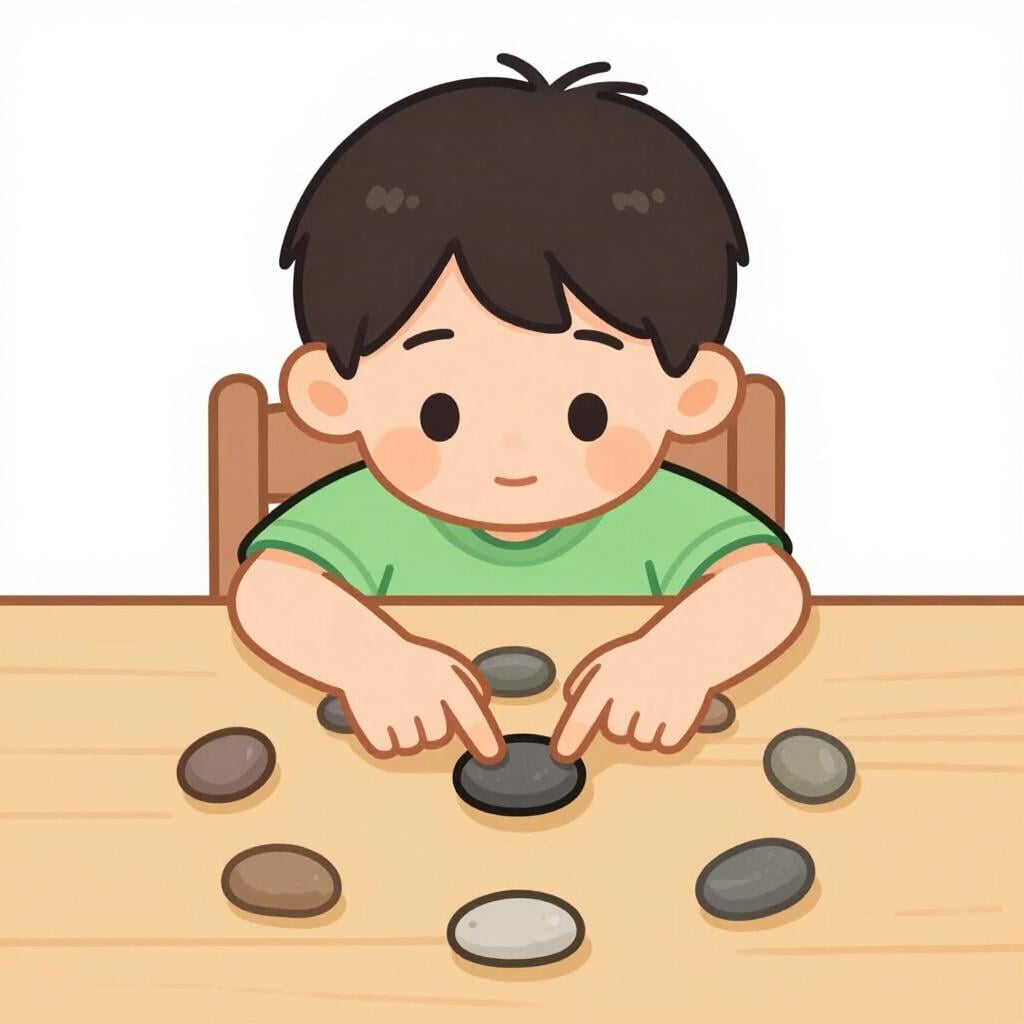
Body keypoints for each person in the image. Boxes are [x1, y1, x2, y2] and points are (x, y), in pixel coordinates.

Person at [230, 54, 810, 767]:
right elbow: (267, 590)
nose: (513, 459)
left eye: (586, 415)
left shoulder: (664, 515)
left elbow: (768, 587)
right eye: (440, 415)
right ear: (330, 394)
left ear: (695, 398)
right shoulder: (366, 515)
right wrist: (371, 661)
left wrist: (678, 659)